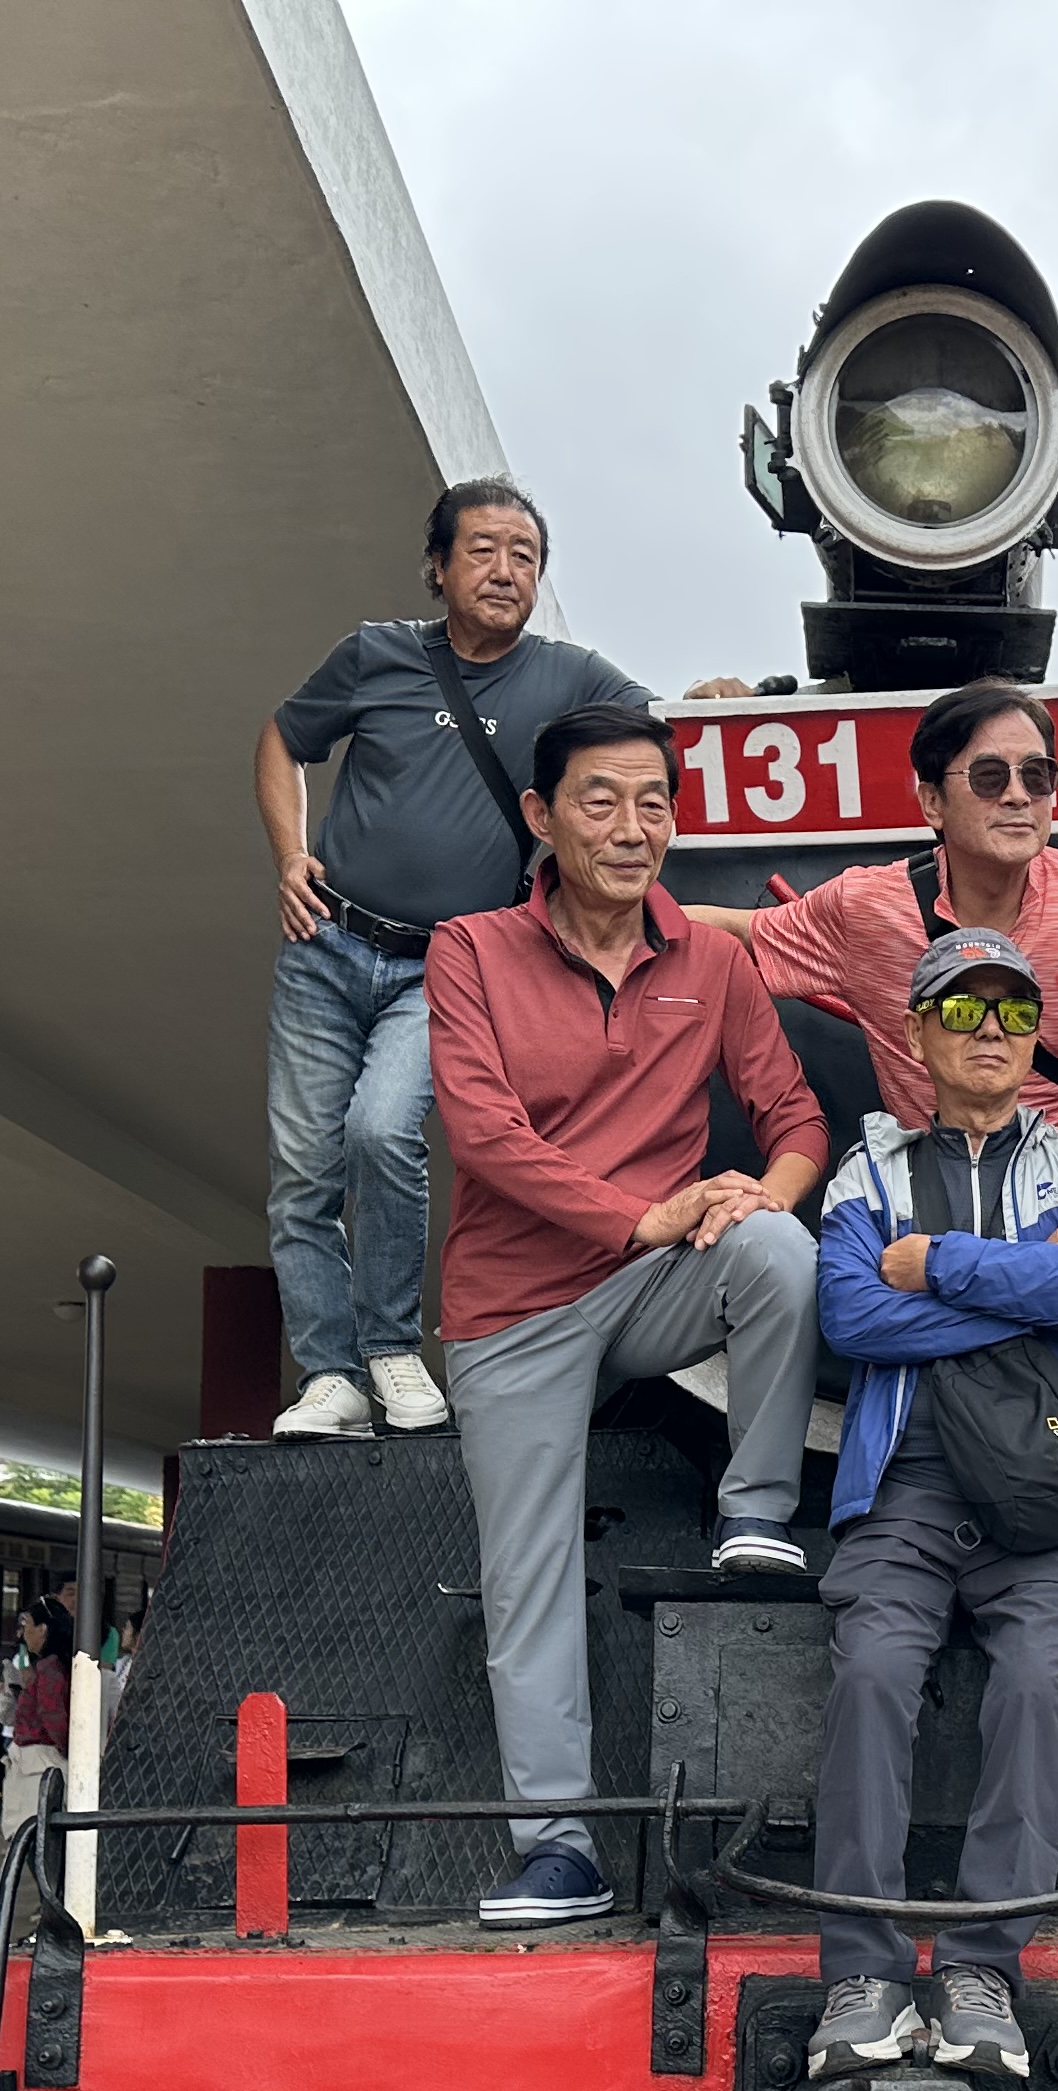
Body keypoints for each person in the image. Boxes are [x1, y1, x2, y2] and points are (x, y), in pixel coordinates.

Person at [428, 700, 830, 1927]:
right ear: (543, 818)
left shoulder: (711, 962)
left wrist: (760, 1194)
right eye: (599, 801)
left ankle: (755, 1513)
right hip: (513, 1306)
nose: (631, 827)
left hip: (655, 1285)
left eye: (653, 802)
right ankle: (560, 1850)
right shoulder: (470, 949)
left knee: (775, 1247)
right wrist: (641, 1214)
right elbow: (483, 1134)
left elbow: (796, 1117)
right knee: (529, 1578)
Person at [806, 927, 1058, 2078]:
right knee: (870, 1672)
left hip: (1050, 1498)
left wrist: (936, 1263)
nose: (990, 1030)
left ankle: (982, 1971)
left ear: (1037, 1034)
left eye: (1013, 1010)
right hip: (906, 1489)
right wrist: (1034, 1274)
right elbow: (852, 1317)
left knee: (1038, 1684)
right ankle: (860, 1972)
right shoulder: (867, 1173)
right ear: (917, 1033)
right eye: (962, 1009)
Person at [259, 476, 652, 1443]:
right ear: (437, 567)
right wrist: (288, 854)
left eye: (525, 556)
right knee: (303, 1172)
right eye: (483, 550)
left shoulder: (568, 677)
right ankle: (331, 1376)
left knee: (380, 1131)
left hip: (448, 967)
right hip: (325, 944)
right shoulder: (376, 653)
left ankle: (391, 1349)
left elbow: (656, 725)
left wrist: (729, 693)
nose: (506, 570)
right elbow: (282, 738)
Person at [682, 679, 1058, 1144]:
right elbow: (738, 933)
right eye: (988, 776)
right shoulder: (865, 909)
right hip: (935, 1187)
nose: (1018, 796)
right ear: (932, 802)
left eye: (1037, 776)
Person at [2, 1596, 73, 1838]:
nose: (23, 1634)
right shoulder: (54, 1666)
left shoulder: (49, 1669)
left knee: (31, 1833)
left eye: (27, 1625)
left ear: (43, 1629)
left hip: (38, 1764)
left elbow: (53, 1715)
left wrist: (66, 1748)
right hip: (39, 1761)